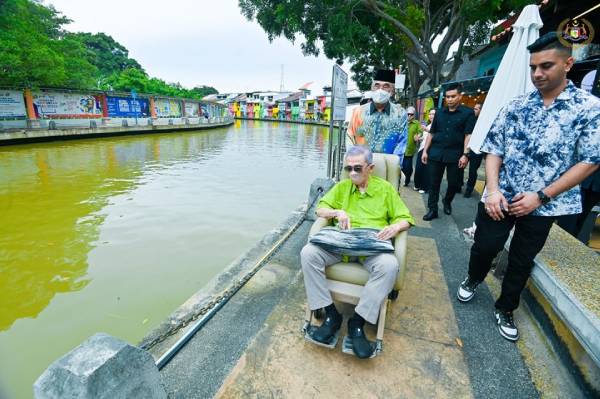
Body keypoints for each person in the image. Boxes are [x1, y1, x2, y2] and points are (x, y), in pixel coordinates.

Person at [456, 32, 600, 342]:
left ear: (568, 64)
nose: (537, 74)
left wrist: (542, 196)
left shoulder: (589, 108)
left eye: (546, 66)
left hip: (546, 204)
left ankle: (506, 307)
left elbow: (590, 160)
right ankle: (472, 279)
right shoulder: (516, 105)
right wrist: (492, 189)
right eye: (533, 67)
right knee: (484, 246)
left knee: (522, 258)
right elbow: (494, 148)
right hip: (501, 195)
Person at [301, 145, 414, 358]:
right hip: (341, 244)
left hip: (371, 247)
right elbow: (319, 209)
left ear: (370, 168)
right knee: (308, 254)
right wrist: (337, 211)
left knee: (390, 265)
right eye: (348, 168)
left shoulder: (385, 189)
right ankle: (331, 315)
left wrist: (395, 227)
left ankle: (357, 322)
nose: (352, 173)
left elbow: (405, 217)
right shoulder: (342, 187)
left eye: (357, 168)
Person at [421, 84, 476, 220]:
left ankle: (447, 201)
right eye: (447, 97)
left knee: (454, 183)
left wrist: (465, 155)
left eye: (453, 96)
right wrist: (425, 151)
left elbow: (468, 135)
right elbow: (431, 134)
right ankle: (433, 210)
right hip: (436, 152)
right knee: (433, 183)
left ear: (460, 96)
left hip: (455, 155)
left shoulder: (468, 113)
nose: (450, 99)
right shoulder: (439, 113)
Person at [348, 69, 408, 162]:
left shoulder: (400, 114)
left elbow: (401, 144)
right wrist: (353, 162)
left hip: (387, 168)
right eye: (377, 85)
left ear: (392, 91)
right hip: (361, 166)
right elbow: (350, 137)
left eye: (385, 86)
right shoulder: (358, 112)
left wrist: (395, 167)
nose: (380, 89)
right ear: (372, 88)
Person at [413, 108, 435, 193]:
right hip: (422, 148)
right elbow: (425, 138)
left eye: (433, 114)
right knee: (418, 168)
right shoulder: (429, 125)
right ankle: (417, 184)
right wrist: (419, 138)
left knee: (426, 169)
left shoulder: (437, 126)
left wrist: (427, 130)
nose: (431, 116)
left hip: (430, 149)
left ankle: (424, 187)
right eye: (430, 114)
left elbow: (436, 136)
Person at [464, 103, 483, 198]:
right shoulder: (471, 119)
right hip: (468, 147)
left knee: (472, 170)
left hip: (477, 150)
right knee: (460, 166)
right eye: (474, 108)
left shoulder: (483, 122)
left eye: (476, 109)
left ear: (481, 110)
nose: (473, 110)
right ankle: (458, 185)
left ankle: (469, 189)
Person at [401, 106, 422, 187]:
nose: (409, 116)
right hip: (400, 148)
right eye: (408, 114)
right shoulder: (402, 122)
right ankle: (402, 179)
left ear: (414, 115)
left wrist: (418, 136)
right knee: (400, 166)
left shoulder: (416, 123)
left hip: (409, 149)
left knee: (408, 167)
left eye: (411, 114)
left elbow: (420, 131)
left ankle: (407, 180)